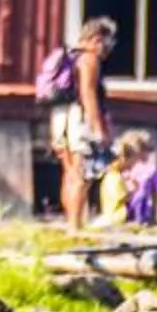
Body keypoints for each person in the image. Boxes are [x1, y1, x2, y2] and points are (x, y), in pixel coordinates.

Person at [41, 15, 117, 234]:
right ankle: (75, 226)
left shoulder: (69, 56)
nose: (107, 49)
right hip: (78, 118)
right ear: (95, 39)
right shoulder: (89, 59)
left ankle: (71, 222)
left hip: (59, 116)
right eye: (107, 42)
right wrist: (98, 127)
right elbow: (88, 93)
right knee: (82, 173)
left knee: (69, 172)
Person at [96, 129, 157, 227]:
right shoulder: (121, 170)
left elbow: (154, 193)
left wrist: (154, 216)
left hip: (134, 207)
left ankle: (139, 219)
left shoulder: (150, 170)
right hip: (121, 206)